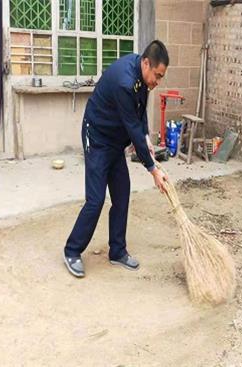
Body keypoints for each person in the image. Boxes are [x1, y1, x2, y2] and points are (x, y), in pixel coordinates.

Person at [63, 40, 169, 278]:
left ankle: (117, 251)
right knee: (96, 199)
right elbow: (132, 125)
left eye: (161, 77)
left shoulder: (142, 79)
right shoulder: (125, 82)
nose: (157, 81)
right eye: (157, 75)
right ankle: (72, 250)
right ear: (145, 63)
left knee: (122, 195)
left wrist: (146, 137)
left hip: (115, 141)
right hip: (98, 138)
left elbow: (139, 112)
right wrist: (153, 169)